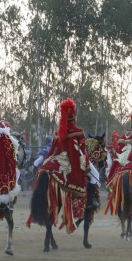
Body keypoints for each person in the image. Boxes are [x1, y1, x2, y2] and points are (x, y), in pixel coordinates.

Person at [27, 98, 98, 232]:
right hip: (70, 165)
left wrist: (45, 165)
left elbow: (52, 151)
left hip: (55, 161)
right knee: (94, 176)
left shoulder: (57, 133)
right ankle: (92, 200)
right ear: (74, 116)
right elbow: (81, 152)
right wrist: (87, 164)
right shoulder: (78, 132)